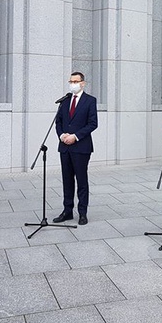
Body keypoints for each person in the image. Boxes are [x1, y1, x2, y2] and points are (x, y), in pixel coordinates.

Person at [53, 72, 98, 225]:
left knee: (81, 180)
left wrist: (75, 136)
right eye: (71, 81)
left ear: (83, 83)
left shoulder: (90, 101)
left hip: (81, 147)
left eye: (75, 81)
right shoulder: (65, 101)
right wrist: (61, 135)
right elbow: (58, 122)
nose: (73, 84)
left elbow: (93, 123)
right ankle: (67, 211)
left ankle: (82, 212)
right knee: (67, 180)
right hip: (64, 146)